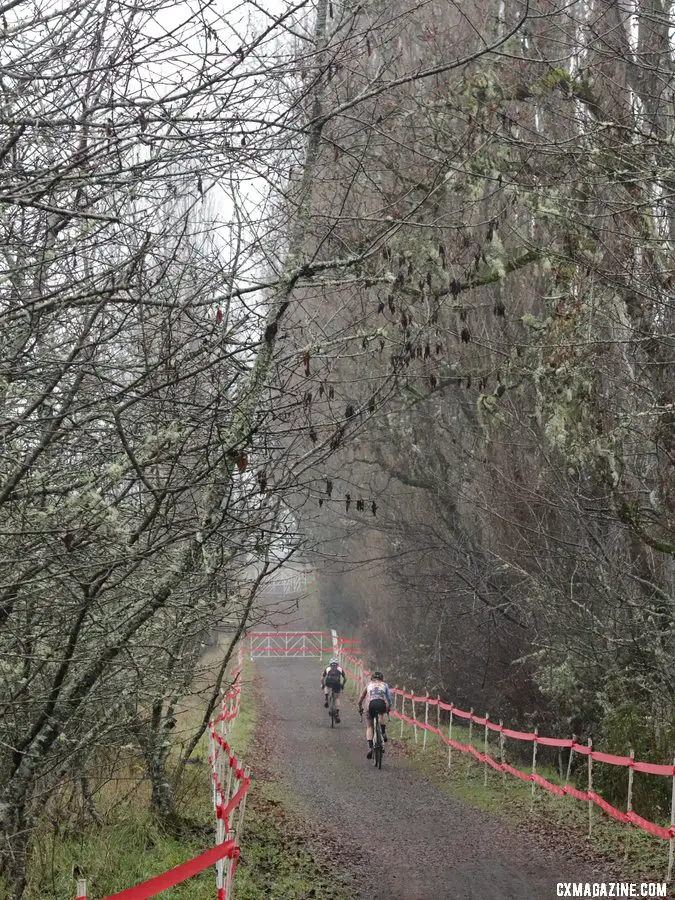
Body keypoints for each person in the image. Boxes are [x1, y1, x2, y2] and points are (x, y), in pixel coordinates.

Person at [358, 671, 392, 758]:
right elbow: (388, 698)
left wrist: (359, 705)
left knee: (369, 726)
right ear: (382, 679)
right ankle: (383, 732)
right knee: (381, 715)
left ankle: (370, 747)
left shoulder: (369, 684)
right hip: (381, 704)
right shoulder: (384, 685)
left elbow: (362, 696)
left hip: (370, 706)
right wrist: (389, 708)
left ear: (372, 678)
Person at [321, 658, 347, 722]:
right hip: (337, 684)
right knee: (337, 698)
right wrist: (343, 684)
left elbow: (322, 678)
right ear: (337, 664)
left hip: (328, 682)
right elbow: (345, 679)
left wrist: (323, 685)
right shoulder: (340, 669)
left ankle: (326, 698)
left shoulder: (327, 668)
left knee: (326, 686)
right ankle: (337, 713)